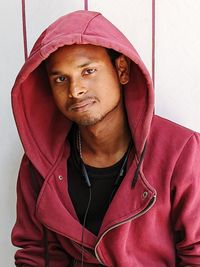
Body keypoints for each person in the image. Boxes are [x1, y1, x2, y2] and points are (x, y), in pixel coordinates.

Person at [11, 10, 200, 267]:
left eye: (88, 71)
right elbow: (37, 254)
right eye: (60, 79)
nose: (75, 90)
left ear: (121, 70)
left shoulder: (182, 151)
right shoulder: (39, 162)